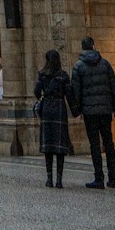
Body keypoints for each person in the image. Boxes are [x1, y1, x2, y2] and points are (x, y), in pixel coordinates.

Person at [71, 36, 115, 190]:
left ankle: (99, 178)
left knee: (94, 144)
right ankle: (112, 179)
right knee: (109, 143)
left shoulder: (78, 66)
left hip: (89, 111)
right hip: (105, 110)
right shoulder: (105, 64)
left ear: (82, 48)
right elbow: (114, 85)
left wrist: (76, 111)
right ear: (93, 46)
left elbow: (76, 91)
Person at [34, 50, 73, 188]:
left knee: (48, 145)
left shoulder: (42, 75)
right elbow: (69, 94)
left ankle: (49, 178)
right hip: (59, 109)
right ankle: (59, 180)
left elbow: (37, 92)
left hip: (47, 110)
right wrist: (76, 111)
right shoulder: (63, 76)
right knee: (59, 145)